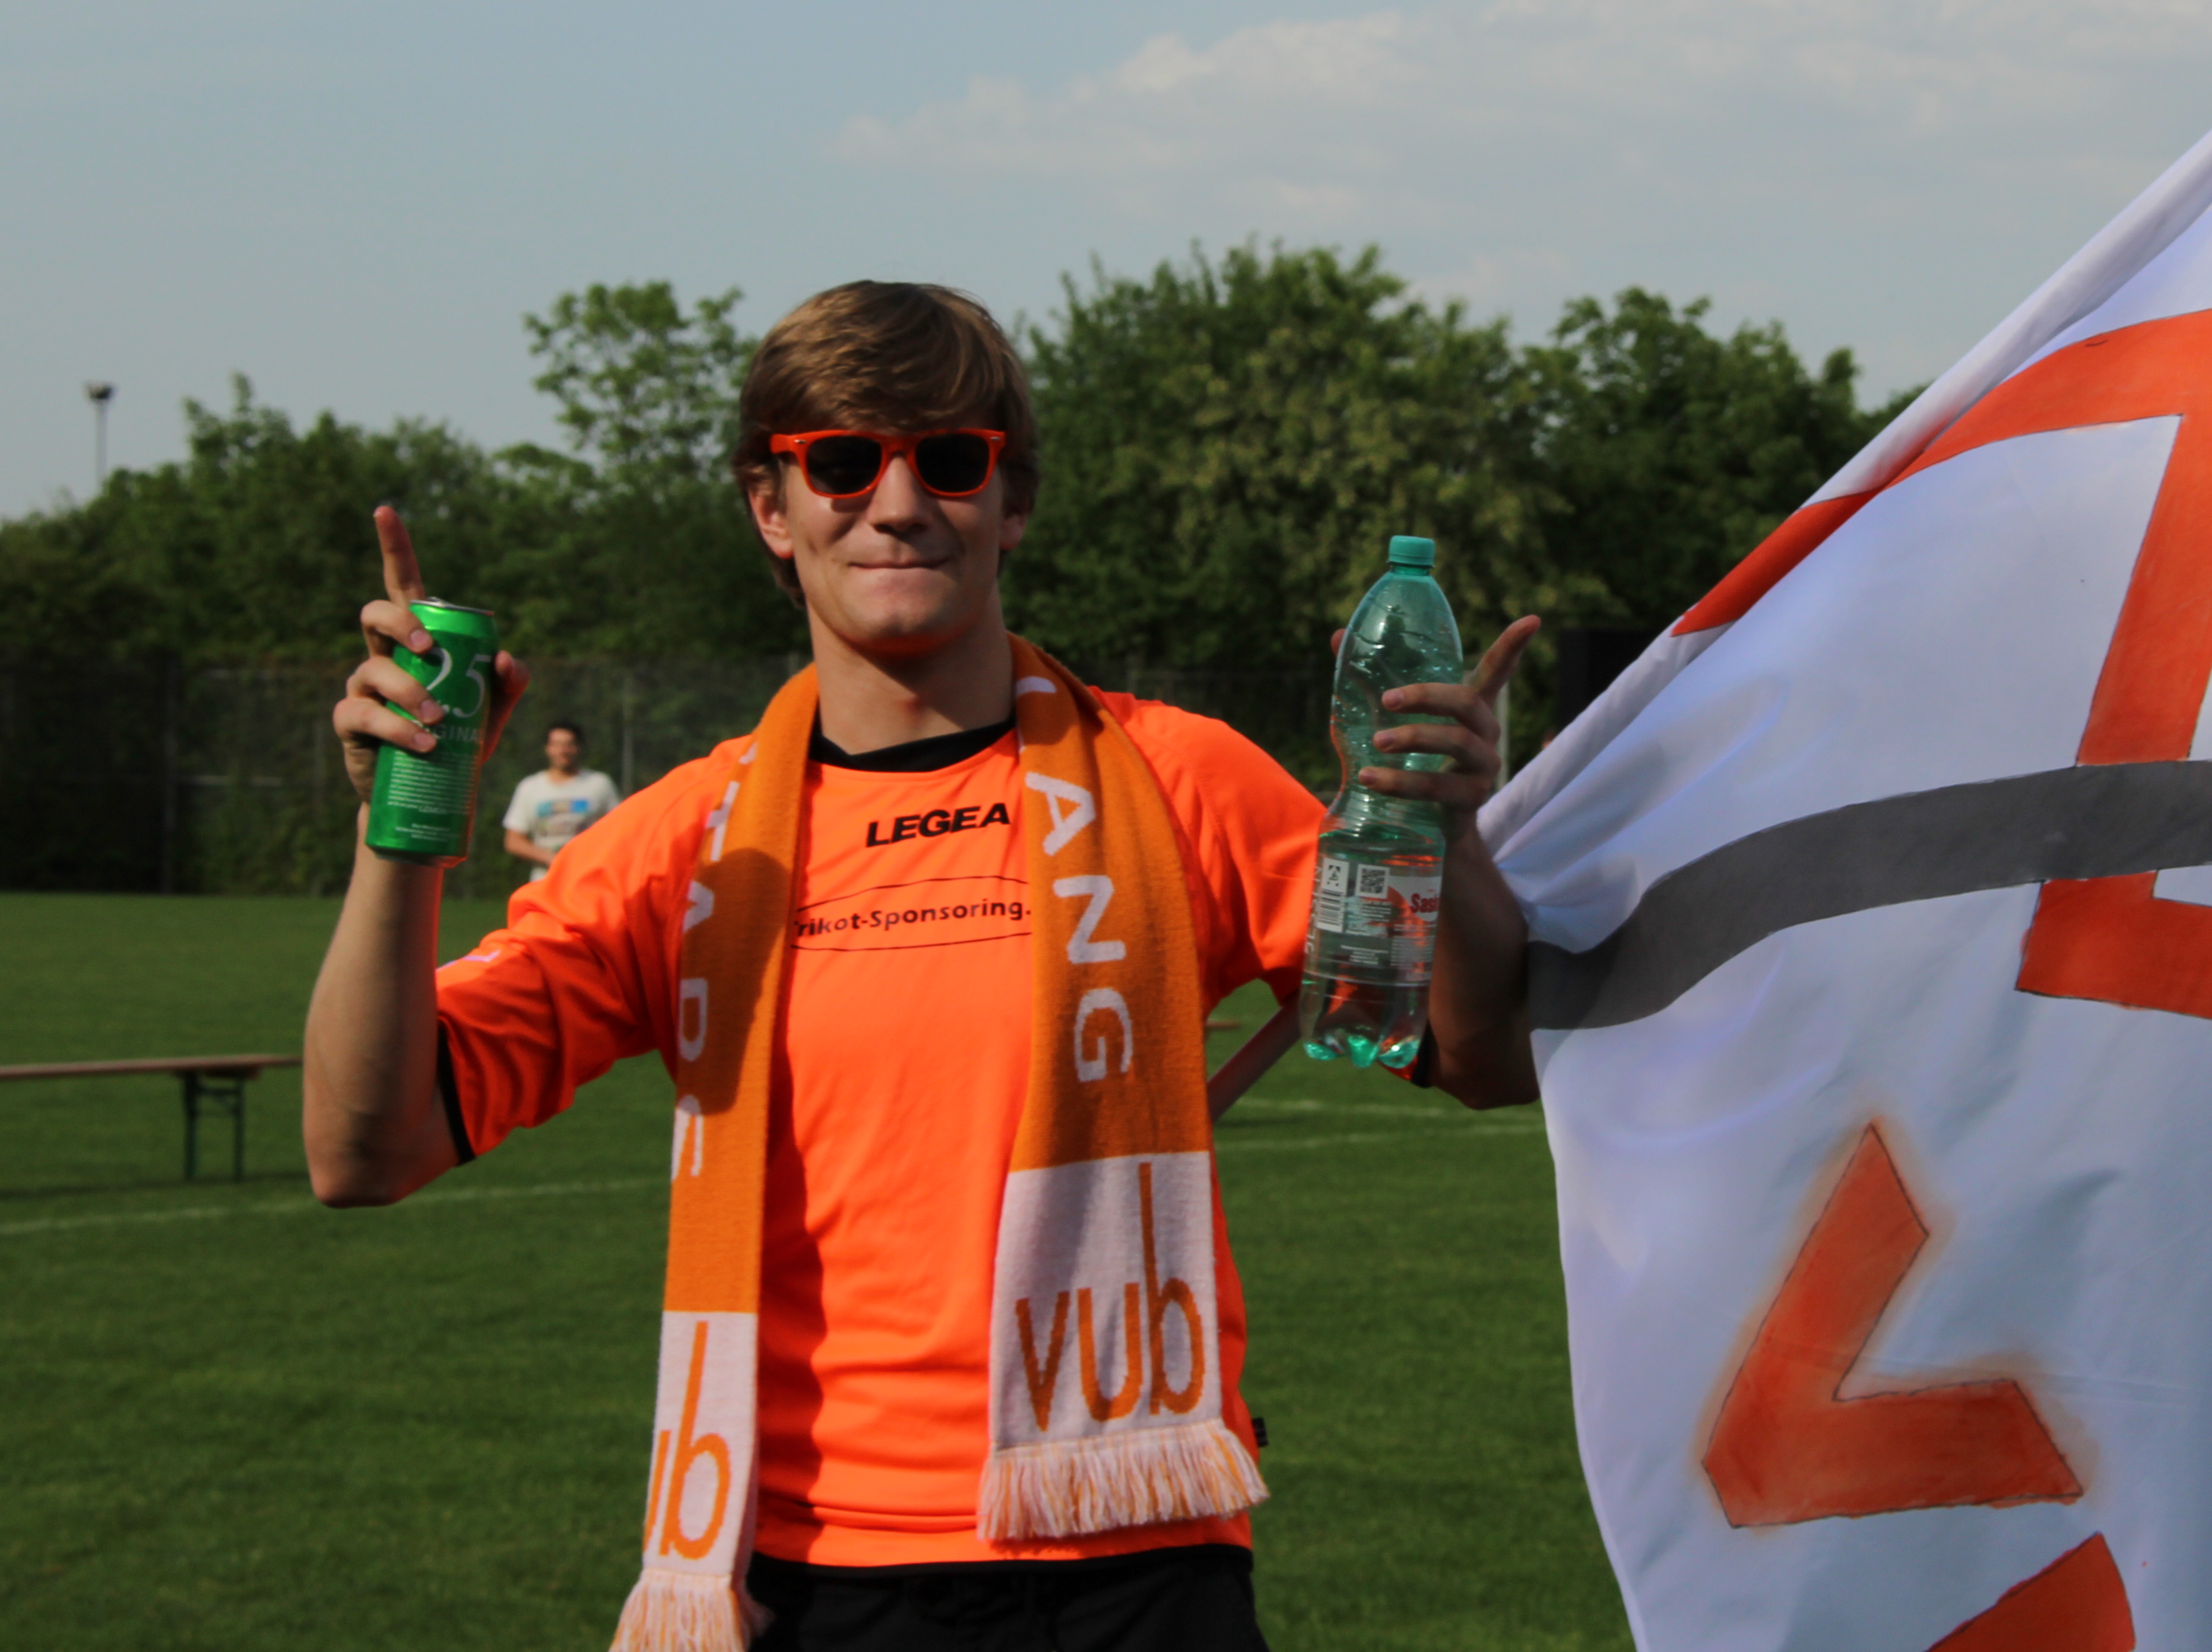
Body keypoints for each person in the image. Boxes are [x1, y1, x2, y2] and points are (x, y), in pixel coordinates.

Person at [303, 280, 1538, 1652]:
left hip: (1135, 1560)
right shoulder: (681, 843)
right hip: (808, 1578)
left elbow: (1482, 1055)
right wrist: (398, 834)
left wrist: (1445, 837)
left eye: (948, 458)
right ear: (771, 507)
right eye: (841, 461)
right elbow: (366, 1146)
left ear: (1012, 503)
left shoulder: (1176, 778)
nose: (896, 504)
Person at [499, 719, 621, 879]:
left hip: (588, 879)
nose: (563, 751)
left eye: (569, 744)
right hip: (545, 880)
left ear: (579, 748)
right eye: (556, 745)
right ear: (547, 748)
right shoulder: (530, 787)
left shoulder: (599, 784)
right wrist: (552, 859)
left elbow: (619, 831)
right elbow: (514, 841)